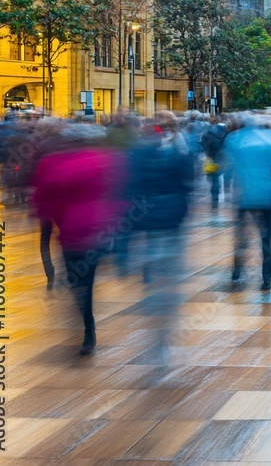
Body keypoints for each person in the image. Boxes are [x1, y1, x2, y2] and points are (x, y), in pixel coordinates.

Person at [31, 125, 126, 355]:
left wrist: (46, 215)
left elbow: (42, 197)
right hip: (97, 232)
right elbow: (118, 192)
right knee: (87, 279)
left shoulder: (53, 163)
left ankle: (86, 321)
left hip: (70, 232)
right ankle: (87, 324)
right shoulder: (104, 160)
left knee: (77, 281)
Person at [126, 112, 194, 362]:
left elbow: (130, 188)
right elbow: (187, 185)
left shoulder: (139, 153)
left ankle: (156, 305)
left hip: (150, 223)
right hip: (169, 223)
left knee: (156, 272)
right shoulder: (180, 150)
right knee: (168, 278)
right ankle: (162, 332)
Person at [224, 115, 271, 291]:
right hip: (265, 194)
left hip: (243, 194)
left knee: (241, 235)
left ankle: (237, 270)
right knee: (266, 238)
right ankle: (267, 276)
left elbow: (227, 167)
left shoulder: (234, 139)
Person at [201, 119, 229, 209]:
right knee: (224, 176)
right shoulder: (226, 134)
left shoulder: (208, 133)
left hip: (211, 157)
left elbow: (203, 143)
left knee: (215, 179)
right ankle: (225, 190)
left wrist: (207, 152)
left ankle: (215, 198)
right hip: (221, 157)